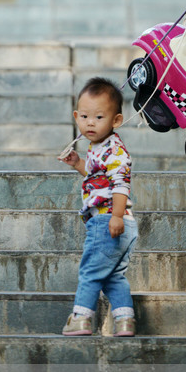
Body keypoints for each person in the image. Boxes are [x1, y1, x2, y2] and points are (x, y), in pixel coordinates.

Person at [59, 77, 138, 337]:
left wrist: (115, 216)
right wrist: (78, 164)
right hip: (116, 221)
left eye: (99, 117)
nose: (90, 123)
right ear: (76, 116)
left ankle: (81, 318)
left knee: (91, 270)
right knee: (114, 277)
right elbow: (96, 177)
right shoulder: (98, 148)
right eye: (84, 116)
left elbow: (120, 185)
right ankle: (125, 320)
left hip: (108, 220)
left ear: (116, 120)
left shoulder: (116, 150)